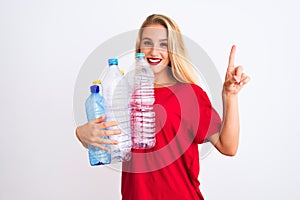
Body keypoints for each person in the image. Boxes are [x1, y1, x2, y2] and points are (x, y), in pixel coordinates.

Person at [75, 14, 250, 200]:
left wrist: (229, 95)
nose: (154, 51)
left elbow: (228, 146)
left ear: (174, 50)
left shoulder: (190, 95)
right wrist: (81, 134)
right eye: (148, 43)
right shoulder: (125, 95)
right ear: (139, 50)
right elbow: (106, 141)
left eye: (163, 44)